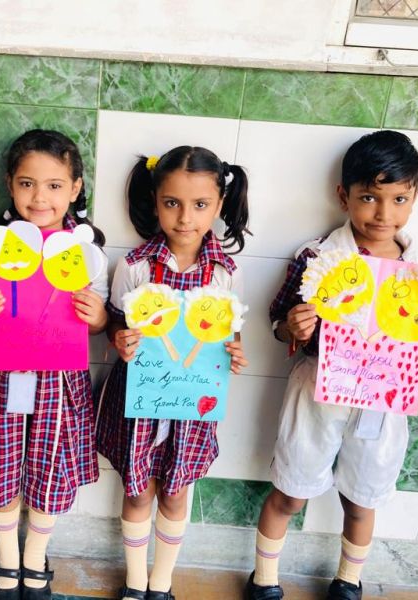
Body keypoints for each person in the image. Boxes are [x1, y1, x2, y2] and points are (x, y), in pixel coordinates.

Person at [245, 130, 418, 600]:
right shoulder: (317, 258)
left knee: (361, 499)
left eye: (398, 199)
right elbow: (278, 321)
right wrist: (292, 328)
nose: (383, 213)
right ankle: (264, 578)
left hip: (381, 401)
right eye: (369, 197)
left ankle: (348, 581)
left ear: (414, 197)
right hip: (317, 393)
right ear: (343, 195)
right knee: (291, 492)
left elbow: (415, 342)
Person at [0, 129, 108, 600]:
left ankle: (35, 557)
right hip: (4, 378)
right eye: (27, 183)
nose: (39, 197)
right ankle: (7, 556)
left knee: (51, 467)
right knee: (1, 462)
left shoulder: (86, 255)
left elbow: (99, 324)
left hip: (60, 383)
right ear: (10, 184)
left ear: (75, 188)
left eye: (54, 185)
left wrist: (97, 316)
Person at [96, 146, 250, 600]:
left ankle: (161, 584)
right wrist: (119, 340)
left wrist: (234, 354)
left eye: (200, 204)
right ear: (155, 202)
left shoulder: (226, 274)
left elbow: (229, 337)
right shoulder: (135, 266)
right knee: (137, 491)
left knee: (176, 491)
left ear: (219, 205)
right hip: (140, 399)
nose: (185, 217)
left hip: (193, 404)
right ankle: (135, 582)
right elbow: (115, 324)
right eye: (172, 203)